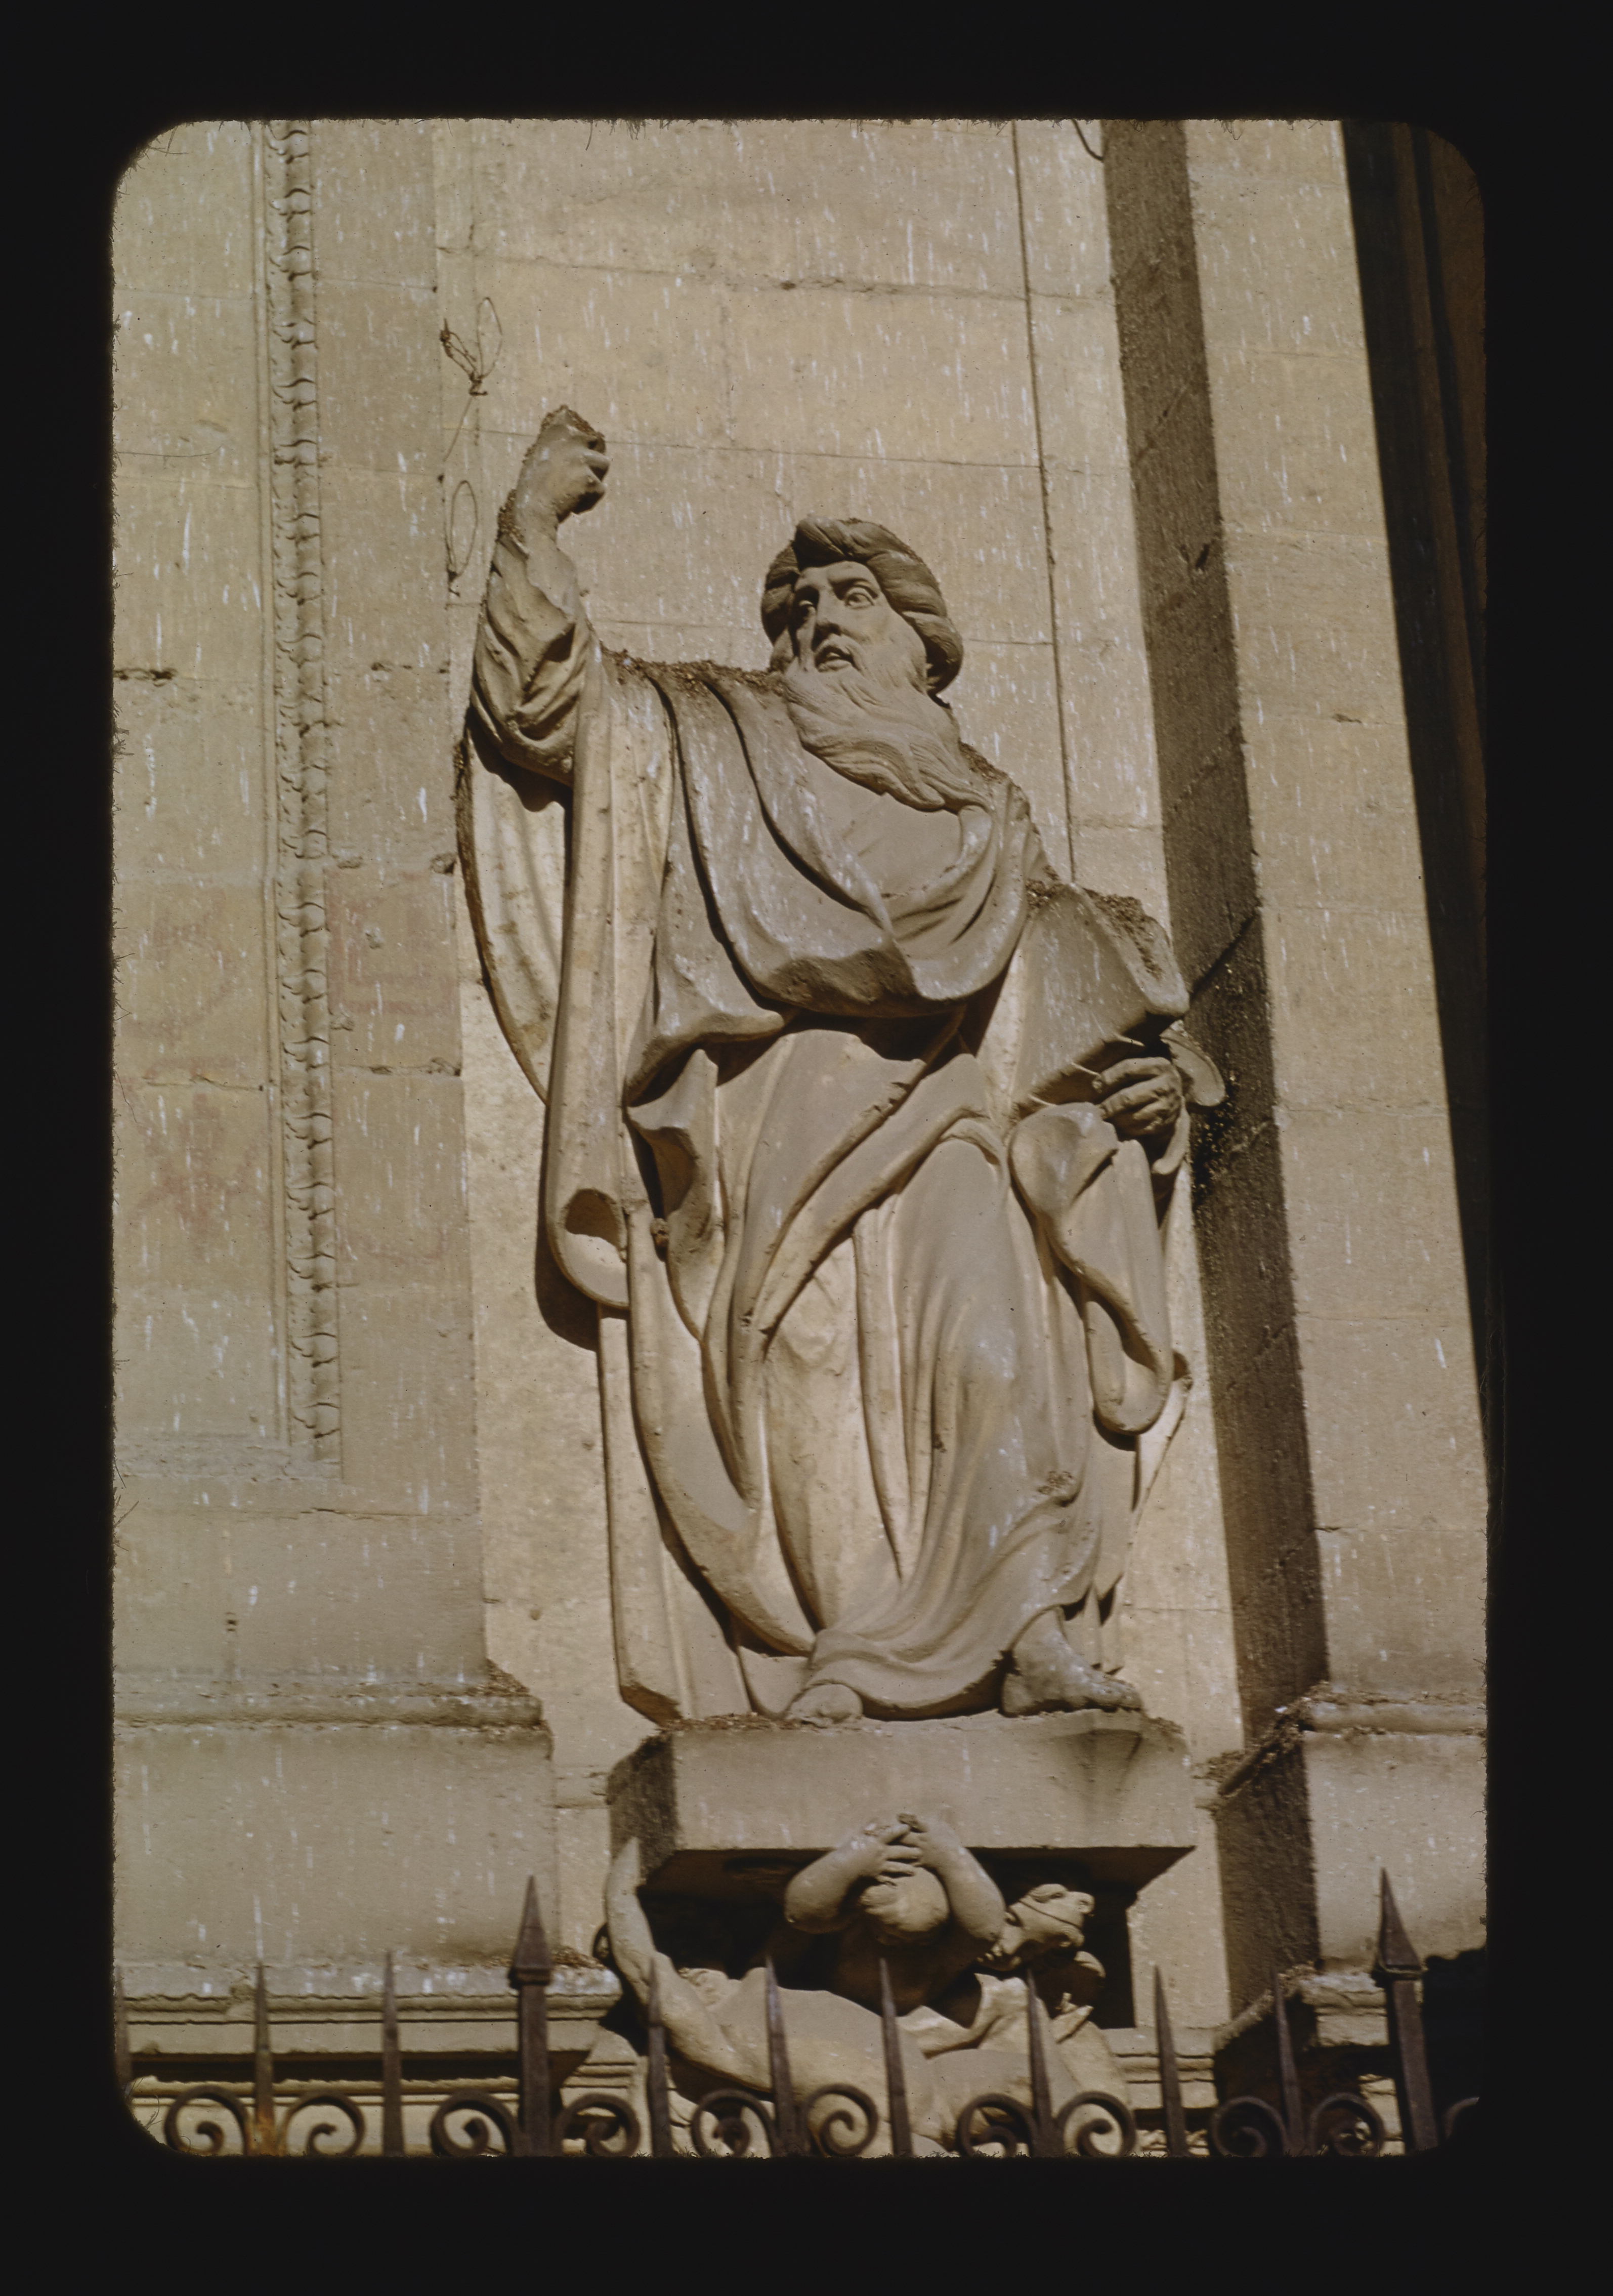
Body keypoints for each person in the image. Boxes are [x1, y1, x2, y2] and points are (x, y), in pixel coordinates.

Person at [465, 406, 1223, 1727]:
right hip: (770, 1121)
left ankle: (1026, 1634)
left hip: (942, 1124)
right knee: (808, 1381)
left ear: (924, 644)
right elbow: (543, 710)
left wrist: (1168, 1087)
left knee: (990, 1349)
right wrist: (531, 527)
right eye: (799, 602)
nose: (820, 614)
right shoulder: (711, 729)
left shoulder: (989, 817)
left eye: (853, 595)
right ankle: (850, 1651)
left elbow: (1082, 979)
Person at [778, 1812, 1006, 2014]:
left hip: (912, 2021)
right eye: (888, 1934)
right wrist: (852, 1860)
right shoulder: (849, 1928)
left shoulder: (940, 1956)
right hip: (830, 2013)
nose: (900, 1944)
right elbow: (803, 1915)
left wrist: (951, 1858)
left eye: (924, 1938)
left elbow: (983, 1931)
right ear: (865, 1920)